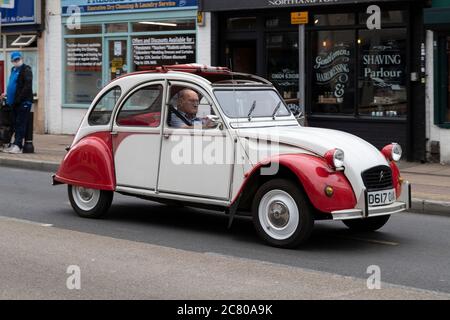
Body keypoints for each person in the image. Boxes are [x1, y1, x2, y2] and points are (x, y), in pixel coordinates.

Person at [0, 51, 33, 154]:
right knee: (14, 124)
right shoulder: (13, 69)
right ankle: (14, 144)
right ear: (12, 61)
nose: (16, 61)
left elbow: (27, 86)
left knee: (20, 124)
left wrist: (19, 99)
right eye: (14, 60)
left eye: (18, 59)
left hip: (23, 102)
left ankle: (18, 146)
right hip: (13, 103)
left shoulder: (26, 70)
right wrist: (6, 94)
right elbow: (13, 85)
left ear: (21, 59)